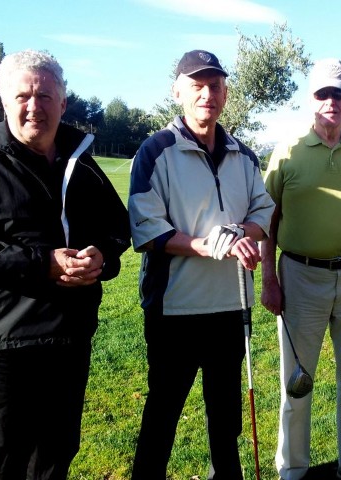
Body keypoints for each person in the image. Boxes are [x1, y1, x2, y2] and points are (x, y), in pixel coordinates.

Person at [0, 49, 131, 479]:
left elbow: (118, 228)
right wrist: (42, 264)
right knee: (7, 458)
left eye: (45, 96)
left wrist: (102, 256)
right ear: (4, 101)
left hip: (71, 334)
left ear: (62, 103)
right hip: (7, 337)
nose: (34, 107)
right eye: (23, 96)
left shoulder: (81, 165)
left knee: (56, 454)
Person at [128, 49, 275, 480]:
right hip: (174, 308)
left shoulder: (244, 155)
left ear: (225, 94)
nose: (207, 94)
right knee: (163, 413)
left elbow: (264, 212)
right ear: (178, 92)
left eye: (215, 86)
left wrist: (242, 232)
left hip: (230, 306)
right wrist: (210, 246)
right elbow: (147, 230)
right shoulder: (155, 151)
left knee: (226, 419)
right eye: (197, 86)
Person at [261, 58, 341, 480]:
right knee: (297, 379)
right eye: (323, 93)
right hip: (301, 277)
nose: (330, 101)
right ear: (311, 100)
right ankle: (293, 469)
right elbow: (268, 221)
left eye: (338, 93)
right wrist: (269, 279)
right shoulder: (288, 151)